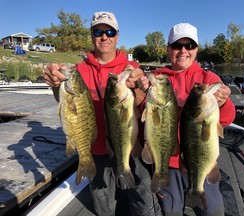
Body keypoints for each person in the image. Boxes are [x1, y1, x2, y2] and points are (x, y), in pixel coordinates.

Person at [44, 11, 162, 216]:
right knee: (104, 207)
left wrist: (139, 90)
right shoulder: (78, 71)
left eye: (110, 31)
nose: (104, 36)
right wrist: (56, 84)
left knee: (143, 202)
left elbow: (146, 108)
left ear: (117, 36)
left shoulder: (131, 68)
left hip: (130, 144)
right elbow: (66, 103)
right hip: (96, 151)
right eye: (98, 31)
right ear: (92, 35)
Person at [137, 23, 236, 216]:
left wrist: (223, 103)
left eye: (189, 46)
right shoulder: (157, 79)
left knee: (213, 210)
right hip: (168, 161)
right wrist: (140, 93)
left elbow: (227, 119)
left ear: (196, 49)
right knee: (171, 209)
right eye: (177, 46)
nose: (183, 51)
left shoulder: (209, 78)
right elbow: (143, 117)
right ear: (168, 49)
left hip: (201, 160)